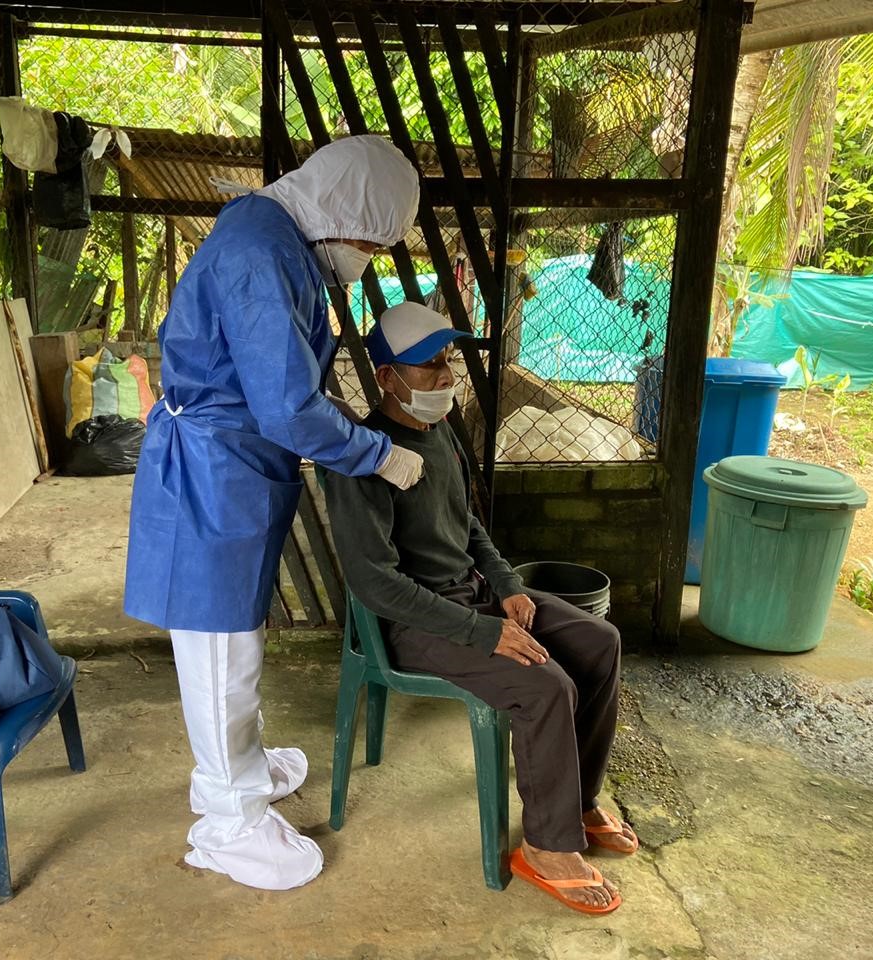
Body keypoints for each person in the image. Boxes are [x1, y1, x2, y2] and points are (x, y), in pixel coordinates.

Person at [124, 136, 423, 892]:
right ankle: (228, 821)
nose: (366, 256)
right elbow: (288, 404)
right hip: (215, 470)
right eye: (369, 241)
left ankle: (242, 767)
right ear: (344, 212)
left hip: (235, 461)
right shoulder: (262, 253)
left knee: (237, 638)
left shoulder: (276, 236)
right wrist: (376, 453)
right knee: (221, 649)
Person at [322, 301, 637, 915]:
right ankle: (545, 847)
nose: (446, 375)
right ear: (387, 378)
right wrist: (482, 632)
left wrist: (505, 582)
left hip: (474, 595)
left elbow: (466, 523)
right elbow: (376, 586)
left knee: (600, 643)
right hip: (412, 624)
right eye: (428, 365)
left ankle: (575, 803)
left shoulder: (438, 433)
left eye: (447, 360)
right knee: (545, 685)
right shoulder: (361, 460)